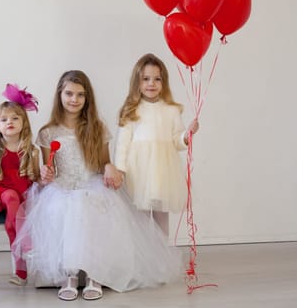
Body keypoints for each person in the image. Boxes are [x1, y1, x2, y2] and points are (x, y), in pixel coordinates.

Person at [12, 71, 181, 301]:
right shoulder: (48, 132)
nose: (74, 99)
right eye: (69, 93)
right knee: (65, 210)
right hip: (62, 187)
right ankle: (69, 275)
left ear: (87, 98)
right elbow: (48, 172)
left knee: (92, 207)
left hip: (91, 183)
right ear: (60, 94)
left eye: (80, 95)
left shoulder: (96, 128)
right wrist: (45, 174)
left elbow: (103, 163)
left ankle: (96, 274)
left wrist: (110, 167)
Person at [114, 53, 199, 236]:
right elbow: (123, 144)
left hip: (162, 170)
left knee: (161, 215)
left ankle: (163, 257)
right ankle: (144, 258)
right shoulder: (131, 110)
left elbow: (176, 139)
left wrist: (187, 135)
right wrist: (120, 169)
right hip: (138, 171)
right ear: (137, 82)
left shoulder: (171, 110)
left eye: (157, 79)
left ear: (164, 82)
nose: (151, 83)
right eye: (145, 79)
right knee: (140, 217)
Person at [0, 84, 40, 286]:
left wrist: (44, 178)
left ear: (24, 123)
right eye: (4, 120)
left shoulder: (31, 150)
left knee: (14, 219)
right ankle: (27, 244)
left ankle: (21, 273)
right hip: (5, 192)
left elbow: (37, 178)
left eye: (15, 118)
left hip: (26, 192)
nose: (9, 122)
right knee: (13, 200)